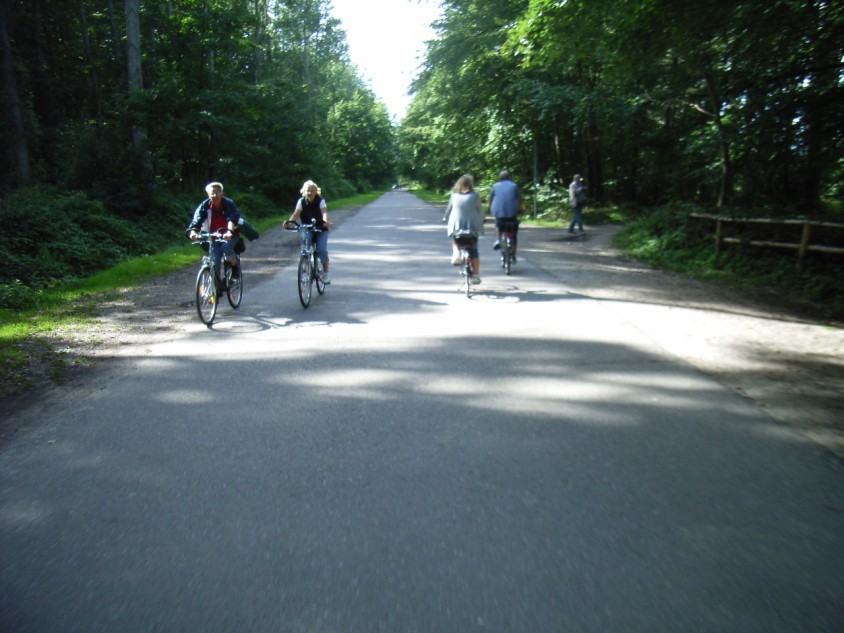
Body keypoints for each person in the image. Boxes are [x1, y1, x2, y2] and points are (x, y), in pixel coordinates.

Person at [186, 181, 241, 283]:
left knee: (226, 248)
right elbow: (197, 220)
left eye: (217, 193)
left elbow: (232, 219)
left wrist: (229, 232)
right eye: (212, 193)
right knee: (215, 260)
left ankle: (235, 269)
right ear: (208, 195)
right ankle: (216, 287)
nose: (215, 195)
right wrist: (193, 232)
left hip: (230, 235)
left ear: (222, 194)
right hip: (213, 237)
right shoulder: (204, 206)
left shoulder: (229, 204)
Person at [284, 180, 331, 283]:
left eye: (312, 191)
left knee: (322, 250)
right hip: (307, 228)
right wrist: (290, 222)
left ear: (316, 192)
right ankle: (306, 268)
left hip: (320, 228)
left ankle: (326, 272)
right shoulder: (301, 201)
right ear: (304, 191)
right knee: (305, 248)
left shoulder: (320, 201)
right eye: (308, 191)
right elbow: (296, 214)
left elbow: (324, 212)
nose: (310, 193)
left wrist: (325, 221)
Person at [443, 173, 484, 284]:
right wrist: (482, 219)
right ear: (471, 184)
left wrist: (444, 218)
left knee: (455, 239)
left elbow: (448, 210)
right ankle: (475, 274)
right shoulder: (475, 195)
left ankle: (456, 253)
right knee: (474, 250)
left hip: (456, 226)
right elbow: (480, 211)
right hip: (472, 227)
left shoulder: (453, 195)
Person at [488, 170, 522, 260]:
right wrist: (520, 209)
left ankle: (498, 239)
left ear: (500, 178)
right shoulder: (514, 186)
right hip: (512, 213)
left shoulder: (495, 186)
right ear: (509, 177)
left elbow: (490, 199)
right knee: (513, 234)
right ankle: (513, 255)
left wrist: (490, 208)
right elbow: (519, 199)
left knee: (498, 225)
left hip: (499, 213)